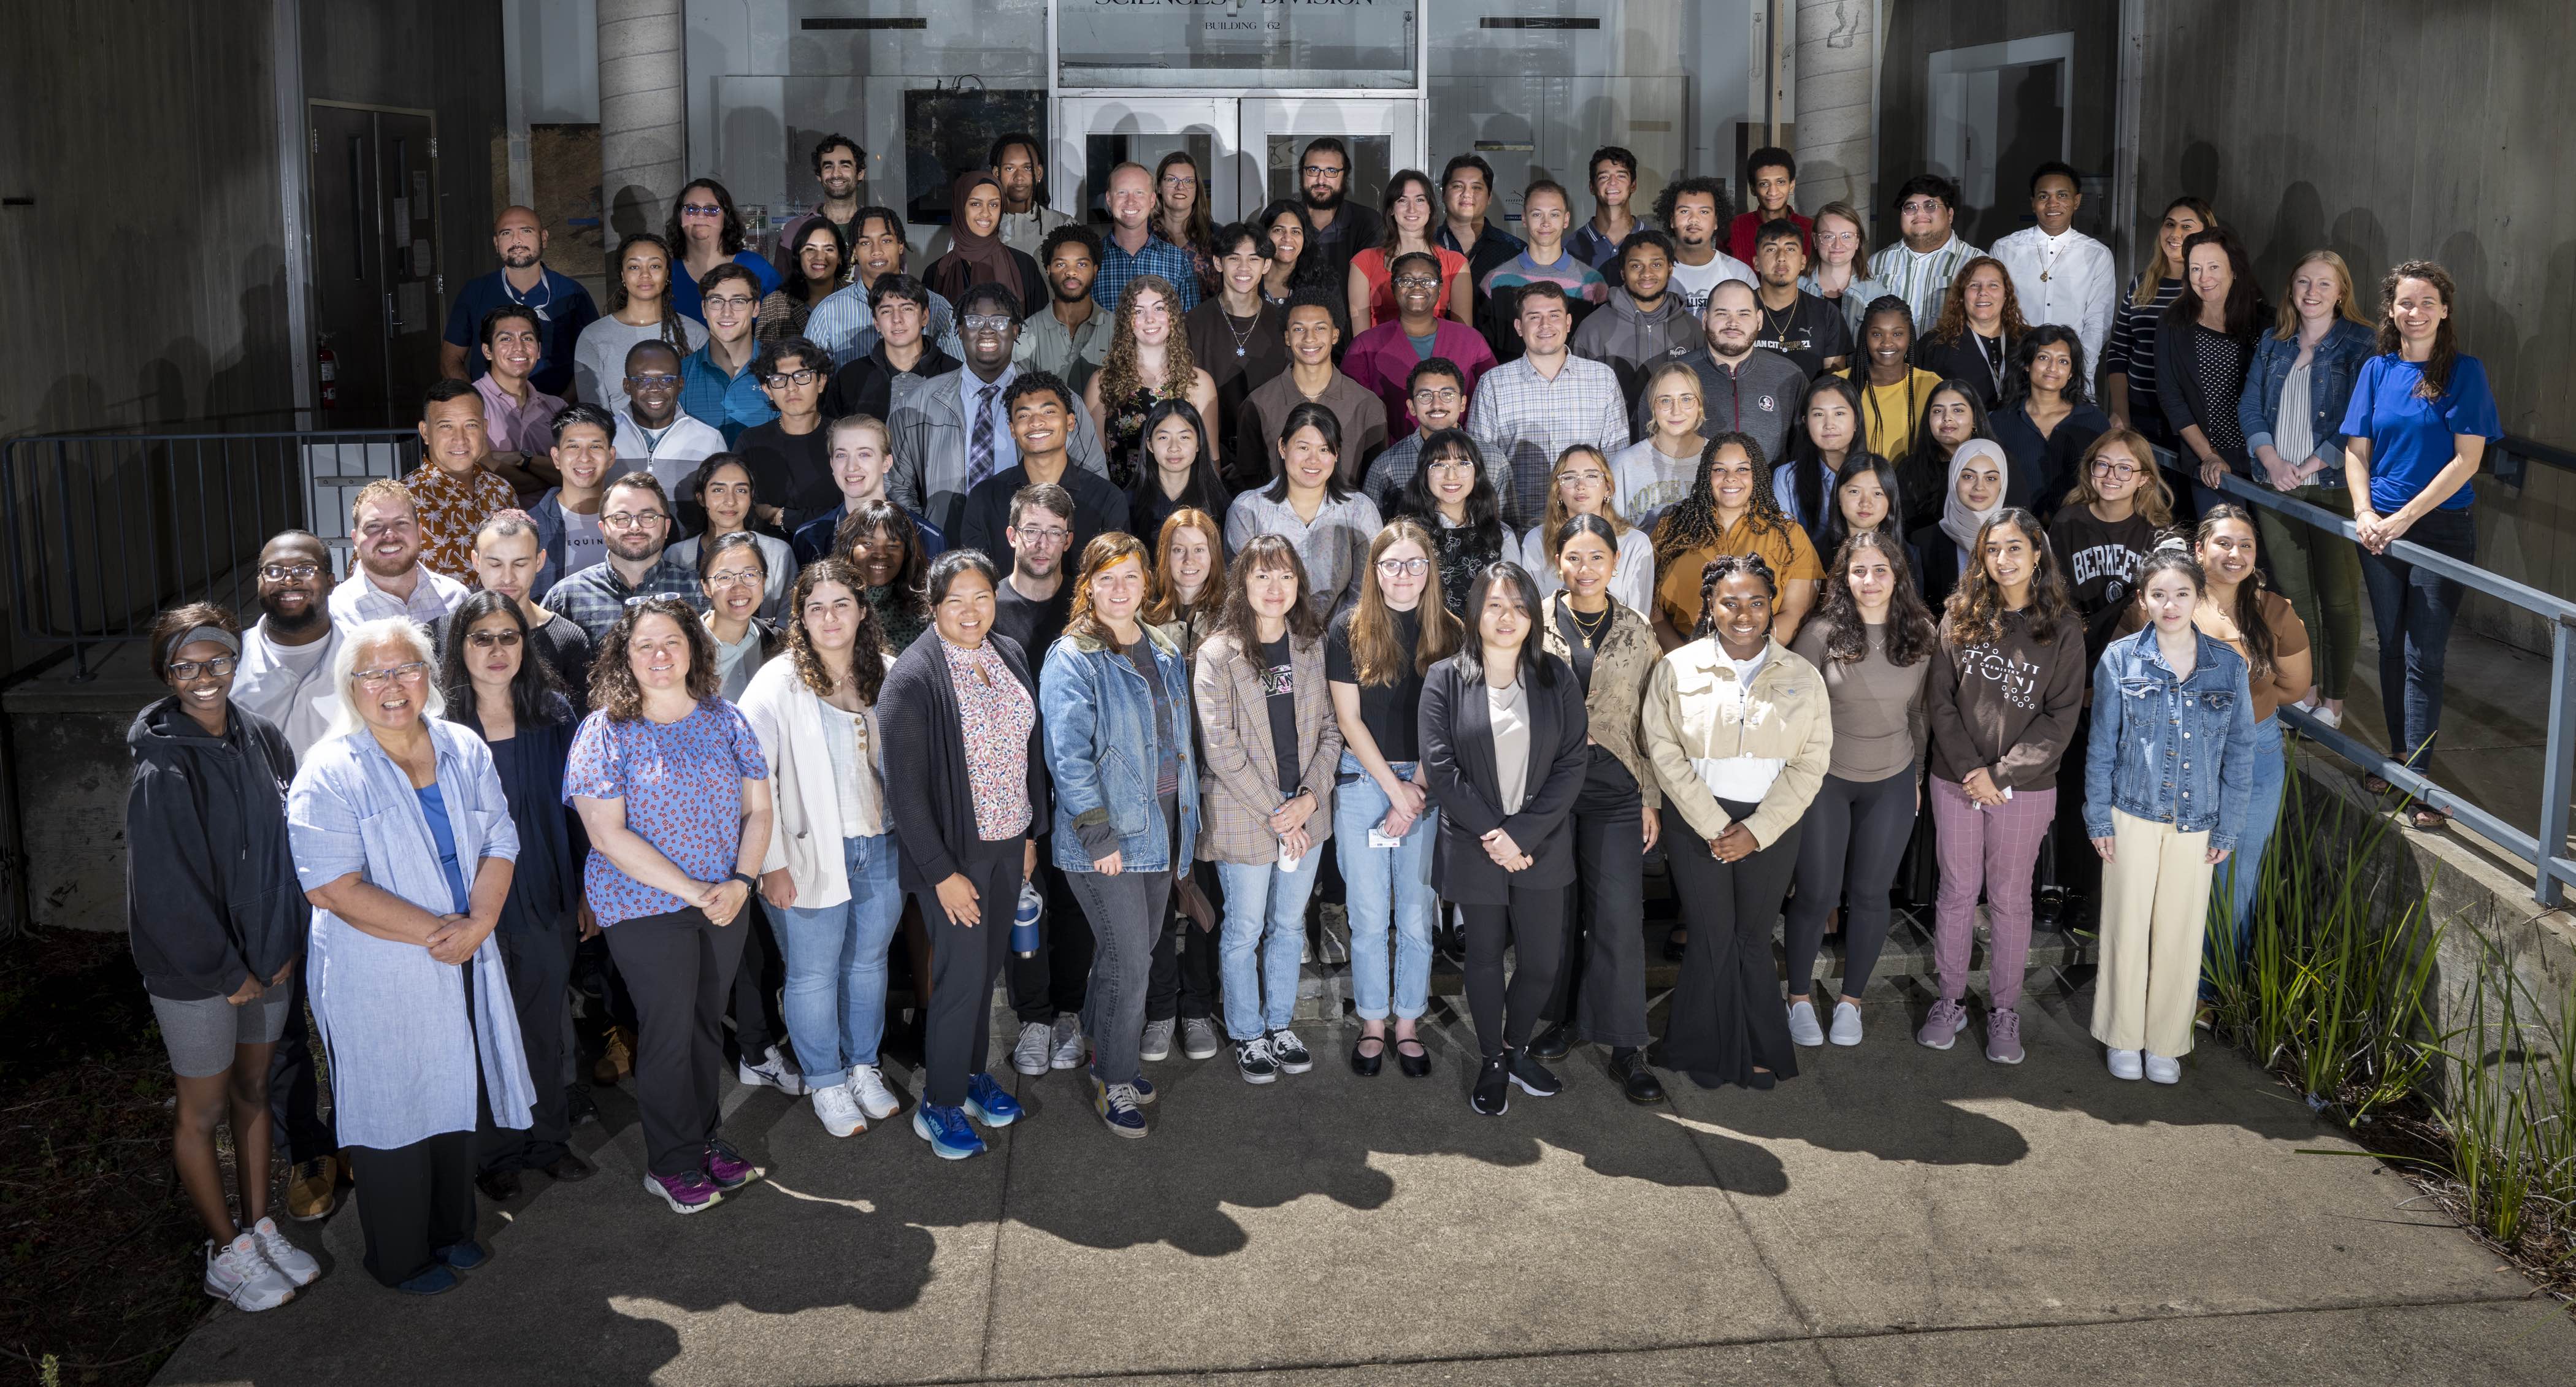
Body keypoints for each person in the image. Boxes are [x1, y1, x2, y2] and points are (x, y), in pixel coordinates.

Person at [289, 616, 532, 1285]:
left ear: (430, 676)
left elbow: (500, 839)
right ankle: (398, 1255)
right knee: (394, 1104)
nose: (393, 686)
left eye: (407, 668)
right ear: (350, 687)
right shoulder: (330, 771)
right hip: (381, 967)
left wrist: (480, 920)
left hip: (463, 948)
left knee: (453, 1089)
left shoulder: (462, 746)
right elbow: (334, 888)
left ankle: (453, 1229)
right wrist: (443, 934)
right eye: (373, 673)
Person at [127, 604, 319, 1311]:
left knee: (255, 1092)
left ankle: (259, 1225)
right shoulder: (163, 767)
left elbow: (289, 847)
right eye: (186, 666)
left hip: (268, 959)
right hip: (196, 971)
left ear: (236, 661)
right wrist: (226, 969)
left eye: (217, 662)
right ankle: (224, 1250)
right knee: (202, 1111)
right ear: (166, 674)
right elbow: (166, 889)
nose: (205, 679)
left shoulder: (261, 738)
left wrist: (285, 941)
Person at [564, 598, 776, 1210]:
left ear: (694, 649)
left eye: (671, 643)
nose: (659, 656)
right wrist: (694, 892)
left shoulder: (726, 718)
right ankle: (672, 1161)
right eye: (644, 646)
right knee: (668, 1030)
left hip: (725, 900)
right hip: (645, 906)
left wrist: (741, 882)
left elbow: (758, 810)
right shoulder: (605, 730)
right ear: (623, 658)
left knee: (706, 1025)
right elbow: (607, 834)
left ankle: (705, 1138)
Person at [1643, 553, 1833, 1090]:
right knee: (1710, 935)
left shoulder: (1802, 676)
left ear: (1772, 606)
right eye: (1730, 602)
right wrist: (1713, 824)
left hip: (1772, 826)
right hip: (1698, 822)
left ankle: (1757, 1047)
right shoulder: (1676, 669)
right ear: (1710, 606)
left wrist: (1758, 829)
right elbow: (1663, 751)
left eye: (1756, 601)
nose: (1744, 613)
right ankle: (1704, 1051)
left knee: (1751, 937)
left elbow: (1812, 760)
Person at [880, 550, 1045, 1158]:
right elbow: (905, 793)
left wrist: (1029, 837)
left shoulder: (1007, 653)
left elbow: (1029, 753)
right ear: (933, 605)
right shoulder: (914, 678)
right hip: (954, 856)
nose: (972, 611)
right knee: (956, 979)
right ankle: (940, 1104)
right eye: (957, 601)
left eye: (982, 597)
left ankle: (972, 1076)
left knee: (984, 973)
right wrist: (943, 874)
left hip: (1008, 845)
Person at [1040, 533, 1202, 1136]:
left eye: (1130, 578)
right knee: (1130, 964)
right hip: (1107, 839)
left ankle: (1109, 1053)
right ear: (1087, 586)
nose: (1118, 590)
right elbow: (1068, 755)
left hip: (1160, 829)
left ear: (1145, 584)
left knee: (1127, 957)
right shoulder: (1074, 657)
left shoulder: (1162, 647)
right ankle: (1114, 1076)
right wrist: (1097, 835)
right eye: (1105, 578)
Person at [738, 560, 907, 1138]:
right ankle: (826, 1080)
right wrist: (771, 863)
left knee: (867, 965)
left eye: (842, 604)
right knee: (811, 974)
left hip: (880, 847)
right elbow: (754, 780)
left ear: (863, 610)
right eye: (816, 607)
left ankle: (863, 1067)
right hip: (808, 854)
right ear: (800, 619)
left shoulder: (890, 673)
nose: (830, 617)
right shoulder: (777, 682)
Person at [436, 591, 592, 1200]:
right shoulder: (441, 724)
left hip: (546, 889)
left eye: (509, 636)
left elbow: (582, 813)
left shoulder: (552, 713)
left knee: (544, 1024)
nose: (497, 650)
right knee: (479, 1025)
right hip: (470, 899)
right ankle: (494, 1152)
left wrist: (585, 893)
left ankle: (548, 1142)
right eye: (482, 638)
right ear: (460, 646)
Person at [1419, 560, 1590, 1114]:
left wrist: (1522, 835)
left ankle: (1517, 1048)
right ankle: (1492, 1057)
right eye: (1495, 604)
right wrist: (1496, 834)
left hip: (1540, 843)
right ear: (1475, 613)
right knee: (1485, 957)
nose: (1507, 616)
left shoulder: (1555, 676)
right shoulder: (1445, 677)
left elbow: (1571, 764)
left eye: (1519, 606)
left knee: (1541, 962)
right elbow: (1442, 768)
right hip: (1477, 844)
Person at [2084, 546, 2255, 1085]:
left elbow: (2241, 751)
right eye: (2159, 594)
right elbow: (2101, 746)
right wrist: (2099, 818)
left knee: (2180, 932)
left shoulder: (2227, 666)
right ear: (2143, 599)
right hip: (2131, 812)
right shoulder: (2120, 660)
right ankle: (2122, 1036)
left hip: (2197, 819)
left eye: (2182, 594)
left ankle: (2165, 1041)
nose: (2171, 604)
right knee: (2126, 928)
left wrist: (2228, 824)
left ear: (2198, 597)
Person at [1920, 508, 2085, 1066]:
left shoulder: (2062, 628)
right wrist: (1972, 770)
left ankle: (2005, 1009)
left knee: (2012, 900)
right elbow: (1939, 703)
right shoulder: (1959, 616)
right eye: (1994, 550)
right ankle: (1948, 1000)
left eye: (2016, 548)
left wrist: (2001, 774)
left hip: (2027, 787)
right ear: (1981, 557)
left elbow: (2060, 719)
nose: (2004, 560)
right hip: (1955, 778)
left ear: (2038, 554)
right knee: (1957, 892)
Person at [2344, 259, 2500, 820]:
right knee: (2389, 646)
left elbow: (2468, 460)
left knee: (2423, 653)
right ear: (2391, 309)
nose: (2416, 312)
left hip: (2438, 528)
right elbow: (2356, 449)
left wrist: (2403, 517)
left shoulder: (2465, 372)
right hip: (2378, 527)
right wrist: (2364, 512)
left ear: (2445, 310)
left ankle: (2421, 780)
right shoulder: (2377, 370)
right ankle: (2398, 756)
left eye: (2427, 302)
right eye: (2405, 302)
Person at [1525, 516, 1664, 1101]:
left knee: (1616, 916)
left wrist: (1651, 796)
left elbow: (1652, 723)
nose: (1586, 570)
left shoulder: (1637, 631)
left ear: (1615, 563)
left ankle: (1627, 1044)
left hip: (1614, 788)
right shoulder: (1530, 626)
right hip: (1549, 787)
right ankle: (1568, 1020)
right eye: (1575, 558)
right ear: (1559, 561)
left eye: (1597, 559)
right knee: (1558, 913)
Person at [1194, 535, 1341, 1083]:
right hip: (1246, 815)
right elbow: (1221, 747)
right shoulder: (1217, 654)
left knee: (1287, 926)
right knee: (1245, 928)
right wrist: (1280, 813)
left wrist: (1306, 801)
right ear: (1243, 584)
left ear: (1298, 582)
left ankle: (1280, 1024)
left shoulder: (1310, 645)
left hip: (1306, 815)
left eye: (1284, 576)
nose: (1274, 587)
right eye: (1261, 576)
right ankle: (1248, 1032)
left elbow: (1332, 729)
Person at [2129, 508, 2308, 960]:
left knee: (2237, 874)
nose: (2236, 554)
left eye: (2245, 545)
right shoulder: (2168, 603)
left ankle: (2214, 989)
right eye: (2224, 543)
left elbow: (2296, 686)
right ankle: (2167, 980)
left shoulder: (2276, 610)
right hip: (2179, 751)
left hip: (2255, 753)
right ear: (2199, 549)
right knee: (2175, 872)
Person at [1782, 530, 1935, 1049]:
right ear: (1844, 578)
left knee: (1871, 895)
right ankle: (1799, 998)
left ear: (1898, 576)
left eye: (1880, 571)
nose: (1869, 581)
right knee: (1818, 893)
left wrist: (1914, 779)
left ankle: (1852, 1002)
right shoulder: (1821, 632)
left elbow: (1919, 714)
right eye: (1858, 571)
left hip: (1891, 777)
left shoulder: (1921, 634)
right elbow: (1792, 707)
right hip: (1827, 779)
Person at [1327, 519, 1457, 1080]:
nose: (1403, 576)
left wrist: (1420, 787)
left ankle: (1408, 1021)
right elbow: (1349, 722)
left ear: (1430, 571)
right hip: (1365, 780)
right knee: (1368, 912)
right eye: (1391, 565)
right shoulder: (1347, 630)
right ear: (1373, 572)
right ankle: (1373, 1020)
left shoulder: (1452, 632)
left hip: (1426, 780)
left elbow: (1450, 718)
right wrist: (1395, 790)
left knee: (1414, 912)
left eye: (1414, 564)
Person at [2239, 250, 2375, 727]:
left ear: (2342, 292)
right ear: (2291, 290)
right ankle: (2306, 688)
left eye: (2323, 284)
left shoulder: (2362, 343)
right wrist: (2272, 460)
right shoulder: (2273, 343)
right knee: (2295, 594)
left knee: (2338, 597)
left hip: (2335, 486)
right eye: (2303, 282)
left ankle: (2334, 702)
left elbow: (2362, 416)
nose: (2311, 293)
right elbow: (2250, 407)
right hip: (2279, 488)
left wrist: (2314, 462)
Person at [892, 285, 1110, 543]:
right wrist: (927, 539)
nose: (987, 329)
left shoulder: (1060, 401)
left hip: (1036, 551)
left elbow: (1094, 478)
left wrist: (1056, 538)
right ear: (959, 330)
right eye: (974, 320)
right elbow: (898, 486)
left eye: (999, 320)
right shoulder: (921, 402)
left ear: (1016, 330)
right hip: (947, 549)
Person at [1142, 509, 1230, 1063]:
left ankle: (1198, 1007)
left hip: (1219, 782)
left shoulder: (1235, 616)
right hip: (1159, 783)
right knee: (1154, 901)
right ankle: (1158, 1010)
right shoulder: (1141, 616)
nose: (1189, 561)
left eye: (1200, 549)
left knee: (1205, 898)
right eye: (1178, 550)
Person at [1469, 281, 1632, 530]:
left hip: (1588, 528)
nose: (1545, 325)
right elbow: (1481, 465)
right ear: (1519, 327)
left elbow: (1616, 458)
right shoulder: (1494, 383)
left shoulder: (1602, 378)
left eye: (1553, 316)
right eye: (1534, 317)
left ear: (1568, 323)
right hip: (1518, 528)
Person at [1649, 432, 1823, 651]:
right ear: (1706, 475)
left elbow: (1795, 612)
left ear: (1757, 475)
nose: (1731, 478)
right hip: (1681, 657)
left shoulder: (1789, 534)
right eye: (1720, 470)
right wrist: (1684, 660)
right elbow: (1651, 607)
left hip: (1761, 657)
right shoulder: (1671, 528)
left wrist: (1746, 657)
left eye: (1742, 469)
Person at [1225, 401, 1386, 620]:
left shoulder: (1360, 510)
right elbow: (1241, 590)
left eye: (1324, 449)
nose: (1313, 460)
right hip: (1267, 637)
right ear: (1283, 447)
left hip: (1345, 638)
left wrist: (1335, 638)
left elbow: (1366, 593)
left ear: (1337, 454)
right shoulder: (1248, 509)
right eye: (1303, 448)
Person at [957, 373, 1129, 565]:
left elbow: (1115, 574)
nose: (1036, 422)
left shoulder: (1107, 499)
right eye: (1024, 415)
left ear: (1070, 421)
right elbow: (975, 577)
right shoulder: (985, 498)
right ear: (1013, 429)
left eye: (1048, 412)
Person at [2158, 226, 2266, 513]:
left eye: (2214, 267)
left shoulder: (2266, 322)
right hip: (2209, 459)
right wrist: (2209, 456)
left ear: (2235, 270)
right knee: (2222, 542)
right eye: (2195, 269)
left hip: (2267, 459)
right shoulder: (2173, 324)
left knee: (2268, 553)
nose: (2204, 278)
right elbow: (2172, 398)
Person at [442, 204, 600, 401]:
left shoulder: (573, 293)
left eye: (526, 231)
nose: (516, 240)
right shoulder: (474, 292)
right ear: (496, 243)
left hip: (557, 417)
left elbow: (592, 360)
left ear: (544, 238)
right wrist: (476, 403)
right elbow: (451, 358)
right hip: (492, 421)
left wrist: (560, 407)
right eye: (507, 233)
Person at [442, 510, 597, 706]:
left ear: (539, 561)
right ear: (476, 561)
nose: (508, 578)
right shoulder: (443, 633)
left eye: (520, 564)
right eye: (496, 564)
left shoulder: (568, 639)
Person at [2047, 428, 2175, 662]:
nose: (2111, 475)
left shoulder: (2158, 532)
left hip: (2133, 655)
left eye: (2125, 468)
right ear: (2090, 469)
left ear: (2144, 478)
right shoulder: (2067, 522)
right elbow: (2054, 596)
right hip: (2076, 650)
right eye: (2103, 464)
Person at [1651, 279, 1809, 468]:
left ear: (1759, 320)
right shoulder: (1672, 377)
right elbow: (1647, 448)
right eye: (1722, 313)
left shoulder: (1790, 376)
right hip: (1688, 496)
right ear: (1705, 320)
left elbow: (1805, 455)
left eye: (1743, 314)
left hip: (1769, 496)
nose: (1733, 323)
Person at [1235, 294, 1388, 489]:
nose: (1309, 338)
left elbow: (1375, 482)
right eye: (1299, 329)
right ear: (1287, 337)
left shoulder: (1367, 404)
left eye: (1320, 328)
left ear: (1335, 335)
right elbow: (1250, 482)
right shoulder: (1258, 404)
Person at [1086, 274, 1221, 489]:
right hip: (1122, 508)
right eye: (1138, 311)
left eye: (1159, 308)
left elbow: (1211, 462)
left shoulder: (1199, 383)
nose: (1150, 319)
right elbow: (1093, 466)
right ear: (1126, 321)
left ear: (1173, 316)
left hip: (1182, 510)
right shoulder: (1102, 383)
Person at [542, 473, 711, 643]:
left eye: (648, 517)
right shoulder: (566, 597)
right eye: (621, 518)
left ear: (666, 527)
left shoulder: (699, 592)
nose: (635, 527)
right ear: (603, 529)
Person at [1346, 250, 1498, 438]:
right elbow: (1353, 413)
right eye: (1406, 281)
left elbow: (1493, 400)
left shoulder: (1471, 340)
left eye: (1427, 281)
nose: (1417, 287)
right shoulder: (1365, 346)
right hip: (1391, 459)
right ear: (1393, 288)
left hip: (1461, 455)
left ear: (1440, 288)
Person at [2103, 196, 2215, 448]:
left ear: (2205, 235)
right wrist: (2121, 412)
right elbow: (2119, 351)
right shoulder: (2141, 284)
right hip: (2140, 412)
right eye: (2169, 224)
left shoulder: (2212, 287)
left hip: (2194, 419)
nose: (2175, 233)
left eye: (2186, 226)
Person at [1990, 161, 2116, 381]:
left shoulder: (2097, 254)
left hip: (2071, 372)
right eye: (2043, 196)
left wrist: (2078, 370)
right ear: (2033, 203)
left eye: (2062, 195)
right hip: (2016, 367)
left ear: (2077, 201)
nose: (2053, 204)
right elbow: (1994, 314)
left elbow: (2098, 323)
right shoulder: (2005, 249)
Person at [1185, 223, 1290, 468]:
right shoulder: (1193, 323)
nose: (1244, 268)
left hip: (1271, 458)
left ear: (1266, 265)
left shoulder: (1283, 322)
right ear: (1219, 263)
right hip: (1208, 456)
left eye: (1253, 259)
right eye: (1234, 258)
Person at [804, 207, 964, 366]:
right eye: (866, 243)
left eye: (886, 241)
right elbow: (811, 379)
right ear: (854, 251)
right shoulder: (827, 313)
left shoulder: (938, 307)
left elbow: (958, 374)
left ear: (900, 245)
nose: (877, 251)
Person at [236, 533, 347, 758]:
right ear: (259, 582)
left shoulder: (365, 655)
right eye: (274, 571)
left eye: (305, 570)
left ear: (331, 582)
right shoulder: (230, 659)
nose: (288, 581)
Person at [1476, 180, 1609, 360]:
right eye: (1537, 214)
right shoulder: (1495, 280)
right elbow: (1483, 350)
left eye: (1554, 214)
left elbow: (1599, 346)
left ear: (1566, 219)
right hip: (1512, 384)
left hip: (1575, 385)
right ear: (1524, 218)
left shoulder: (1592, 282)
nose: (1546, 223)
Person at [575, 233, 705, 415]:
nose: (645, 275)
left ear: (668, 273)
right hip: (618, 441)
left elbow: (701, 404)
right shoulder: (593, 336)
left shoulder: (696, 333)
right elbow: (595, 415)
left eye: (655, 266)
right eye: (634, 267)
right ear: (622, 274)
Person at [1519, 444, 1656, 616]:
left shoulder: (1635, 544)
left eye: (1591, 476)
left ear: (1608, 488)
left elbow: (1638, 618)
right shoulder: (1536, 541)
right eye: (1569, 477)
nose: (1580, 485)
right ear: (1558, 492)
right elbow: (1534, 615)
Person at [1990, 325, 2112, 517]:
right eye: (2043, 357)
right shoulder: (1999, 422)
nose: (2053, 368)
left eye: (2063, 361)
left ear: (2072, 372)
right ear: (2027, 364)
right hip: (2014, 532)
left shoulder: (2095, 421)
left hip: (2078, 532)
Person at [406, 380, 519, 581]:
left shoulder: (502, 491)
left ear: (485, 429)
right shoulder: (402, 499)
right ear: (425, 433)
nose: (460, 439)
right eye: (446, 426)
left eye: (470, 425)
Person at [1571, 229, 1702, 403]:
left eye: (1656, 265)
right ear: (1623, 273)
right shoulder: (1593, 329)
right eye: (1636, 266)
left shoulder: (1692, 328)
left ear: (1670, 270)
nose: (1646, 274)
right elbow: (1577, 396)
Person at [1361, 357, 1507, 511]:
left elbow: (1509, 525)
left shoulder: (1493, 460)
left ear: (1463, 403)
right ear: (1412, 407)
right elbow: (1373, 531)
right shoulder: (1385, 467)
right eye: (1425, 396)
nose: (1437, 404)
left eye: (1447, 394)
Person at [1394, 428, 1511, 619]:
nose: (1451, 476)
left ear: (1477, 471)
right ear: (1424, 474)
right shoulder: (1406, 536)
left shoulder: (1501, 535)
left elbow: (1511, 601)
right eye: (1439, 465)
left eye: (1462, 464)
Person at [1347, 168, 1473, 335]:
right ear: (1391, 209)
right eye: (1402, 201)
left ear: (1430, 208)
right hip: (1380, 357)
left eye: (1420, 200)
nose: (1412, 209)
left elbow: (1464, 337)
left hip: (1438, 358)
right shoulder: (1364, 262)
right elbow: (1360, 340)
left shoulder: (1456, 264)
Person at [732, 335, 837, 536]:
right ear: (768, 390)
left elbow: (853, 512)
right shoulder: (750, 442)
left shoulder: (846, 437)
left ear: (821, 382)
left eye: (802, 376)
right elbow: (746, 511)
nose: (792, 388)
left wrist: (781, 516)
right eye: (780, 379)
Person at [822, 273, 961, 423]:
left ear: (925, 316)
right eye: (886, 311)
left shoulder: (956, 375)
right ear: (877, 323)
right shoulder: (850, 378)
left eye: (907, 309)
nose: (897, 319)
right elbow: (832, 436)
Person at [329, 480, 469, 627]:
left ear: (420, 533)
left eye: (401, 523)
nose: (390, 534)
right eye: (374, 526)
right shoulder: (335, 613)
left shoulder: (458, 599)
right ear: (355, 539)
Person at [469, 305, 570, 501]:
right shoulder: (469, 403)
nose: (519, 347)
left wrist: (523, 459)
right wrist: (554, 476)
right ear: (487, 351)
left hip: (555, 526)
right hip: (494, 527)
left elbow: (577, 468)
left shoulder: (557, 407)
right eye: (506, 339)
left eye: (527, 338)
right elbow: (482, 474)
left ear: (539, 350)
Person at [670, 458, 793, 619]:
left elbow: (787, 620)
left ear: (751, 496)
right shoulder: (676, 555)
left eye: (741, 490)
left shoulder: (778, 553)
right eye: (718, 490)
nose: (730, 501)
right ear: (701, 498)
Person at [612, 340, 726, 499]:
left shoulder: (709, 440)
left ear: (680, 384)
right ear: (627, 386)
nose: (655, 388)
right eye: (642, 380)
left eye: (666, 380)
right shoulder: (605, 437)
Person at [1868, 174, 1984, 331]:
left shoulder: (1976, 264)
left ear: (1950, 214)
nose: (1919, 214)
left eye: (1930, 206)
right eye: (1910, 207)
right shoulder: (1877, 263)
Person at [1912, 256, 2028, 411]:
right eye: (1974, 285)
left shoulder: (2027, 341)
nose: (1983, 292)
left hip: (2017, 433)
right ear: (1962, 295)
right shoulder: (1935, 344)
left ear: (2006, 295)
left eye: (1993, 285)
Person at [1435, 153, 1528, 345]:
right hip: (1435, 358)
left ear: (1490, 196)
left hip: (1499, 361)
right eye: (1458, 186)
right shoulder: (1427, 246)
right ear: (1444, 194)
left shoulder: (1515, 251)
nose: (1467, 194)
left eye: (1477, 187)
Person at [926, 171, 1047, 315]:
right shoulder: (936, 272)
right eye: (976, 204)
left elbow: (1038, 328)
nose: (986, 213)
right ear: (960, 207)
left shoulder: (1025, 265)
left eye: (994, 205)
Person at [528, 403, 618, 596]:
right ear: (556, 457)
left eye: (595, 446)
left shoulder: (635, 522)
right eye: (573, 446)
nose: (584, 458)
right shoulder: (531, 528)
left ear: (611, 457)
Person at [666, 178, 783, 324]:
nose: (701, 216)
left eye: (711, 210)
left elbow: (785, 320)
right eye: (691, 208)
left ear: (726, 218)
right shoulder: (666, 271)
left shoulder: (756, 267)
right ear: (679, 216)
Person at [1912, 438, 2010, 610]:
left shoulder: (2023, 540)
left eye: (1991, 478)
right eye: (1968, 476)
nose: (1979, 487)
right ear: (1954, 479)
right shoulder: (1923, 542)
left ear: (2002, 484)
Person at [1611, 359, 1708, 531]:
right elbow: (1611, 536)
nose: (1676, 410)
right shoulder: (1625, 464)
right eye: (1665, 400)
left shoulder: (1717, 458)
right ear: (1653, 406)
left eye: (1686, 399)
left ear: (1699, 405)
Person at [1748, 219, 1852, 378]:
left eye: (1790, 249)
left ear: (1803, 262)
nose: (1781, 257)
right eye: (1771, 249)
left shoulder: (1827, 314)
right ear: (1756, 263)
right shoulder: (1741, 311)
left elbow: (1835, 384)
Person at [1897, 379, 2006, 530]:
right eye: (1938, 411)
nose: (1947, 418)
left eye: (1958, 410)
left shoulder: (2000, 464)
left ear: (1975, 420)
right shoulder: (1910, 469)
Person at [1095, 162, 1202, 315]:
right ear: (1109, 199)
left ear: (1152, 200)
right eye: (1122, 192)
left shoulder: (1178, 262)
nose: (1130, 201)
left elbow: (1192, 328)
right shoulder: (1091, 260)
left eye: (1139, 193)